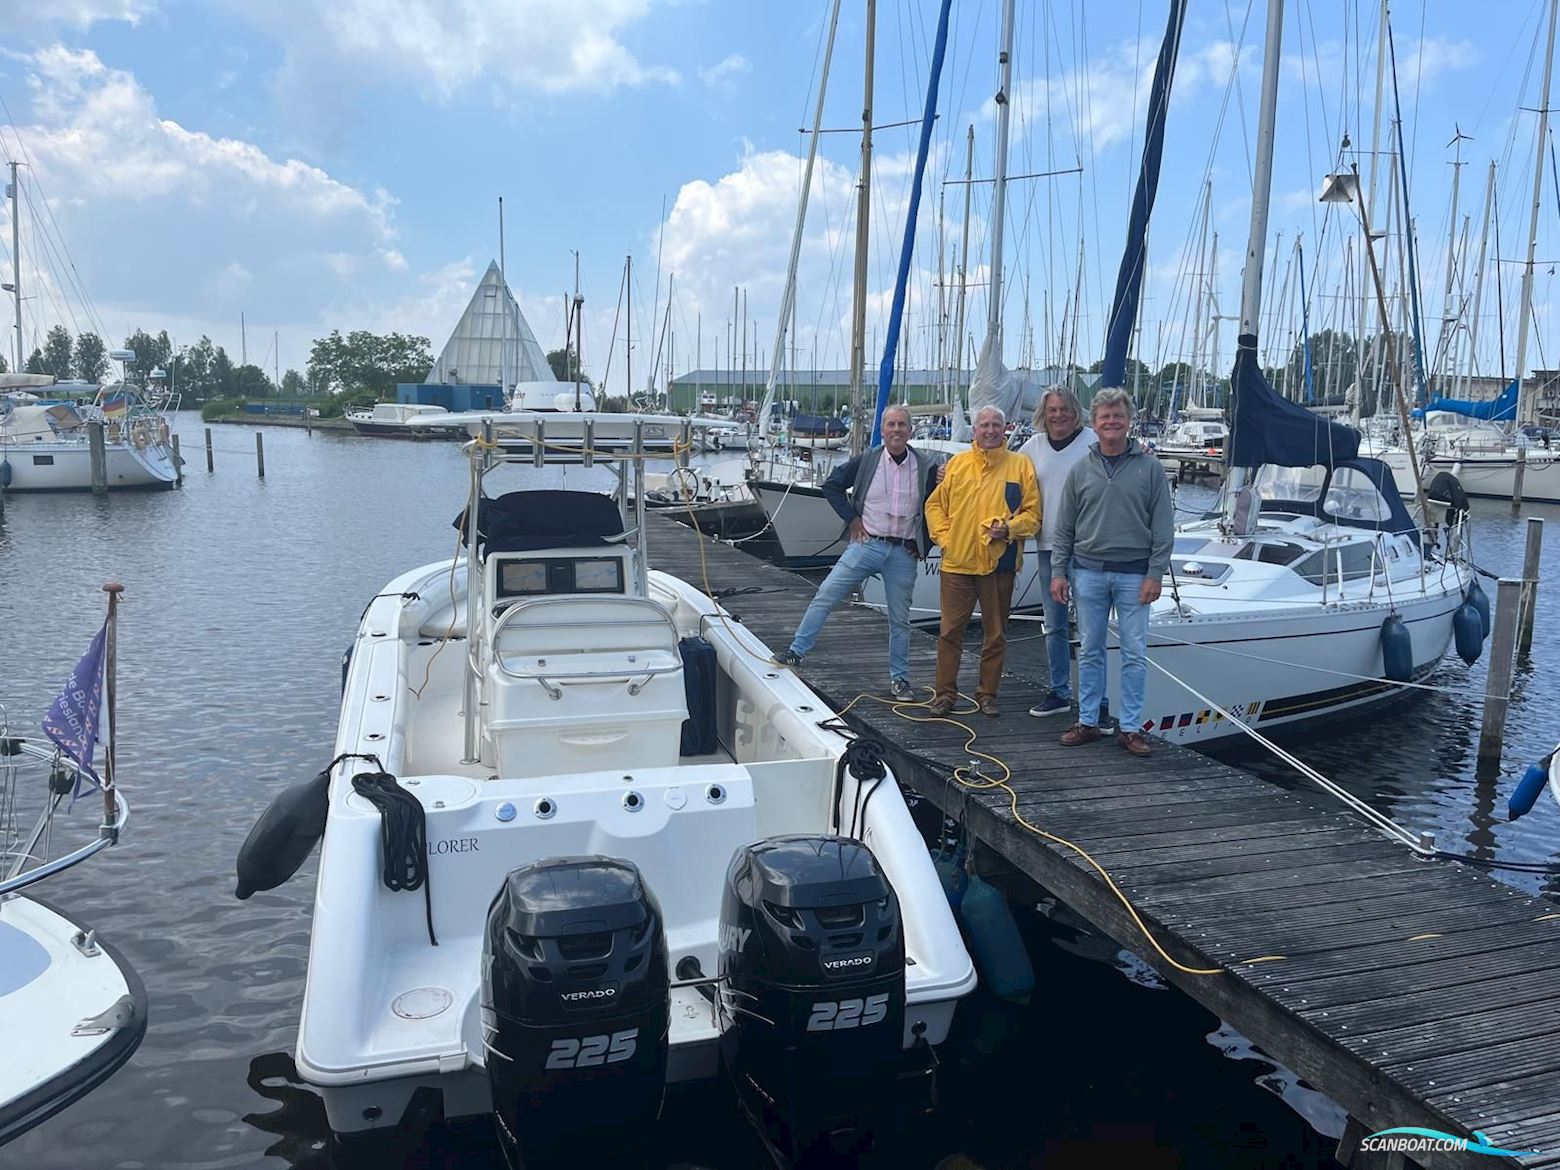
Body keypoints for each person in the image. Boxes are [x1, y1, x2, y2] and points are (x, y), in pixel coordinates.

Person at [771, 404, 943, 700]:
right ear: (882, 430)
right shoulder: (867, 461)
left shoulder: (926, 466)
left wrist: (923, 541)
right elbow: (832, 486)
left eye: (902, 425)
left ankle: (900, 679)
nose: (897, 430)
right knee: (826, 594)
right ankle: (796, 652)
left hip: (903, 552)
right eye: (891, 424)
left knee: (900, 619)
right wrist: (852, 520)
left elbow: (938, 504)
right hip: (867, 544)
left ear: (910, 431)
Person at [1049, 388, 1174, 757]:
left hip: (1135, 575)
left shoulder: (1150, 469)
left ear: (1129, 420)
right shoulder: (1080, 470)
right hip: (1087, 572)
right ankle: (1088, 721)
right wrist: (1058, 571)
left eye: (1118, 415)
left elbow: (1163, 528)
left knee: (1134, 652)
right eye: (1104, 416)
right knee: (1090, 650)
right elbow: (1064, 527)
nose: (1111, 422)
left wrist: (1155, 573)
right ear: (1094, 422)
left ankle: (1131, 728)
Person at [924, 405, 1041, 718]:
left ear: (1005, 429)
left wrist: (1009, 529)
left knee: (996, 634)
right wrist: (945, 539)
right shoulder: (957, 465)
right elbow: (934, 506)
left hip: (999, 563)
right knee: (949, 632)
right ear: (974, 430)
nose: (990, 430)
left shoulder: (1020, 466)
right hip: (957, 563)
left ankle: (987, 694)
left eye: (995, 425)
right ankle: (945, 694)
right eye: (984, 425)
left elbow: (1033, 516)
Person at [1017, 387, 1097, 718]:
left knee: (1091, 629)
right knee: (1054, 625)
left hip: (1089, 547)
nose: (1058, 415)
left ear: (1075, 411)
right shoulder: (1031, 448)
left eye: (1064, 409)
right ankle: (1059, 691)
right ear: (1043, 413)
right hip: (1049, 547)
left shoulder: (1092, 441)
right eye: (1052, 409)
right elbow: (1005, 474)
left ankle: (1097, 702)